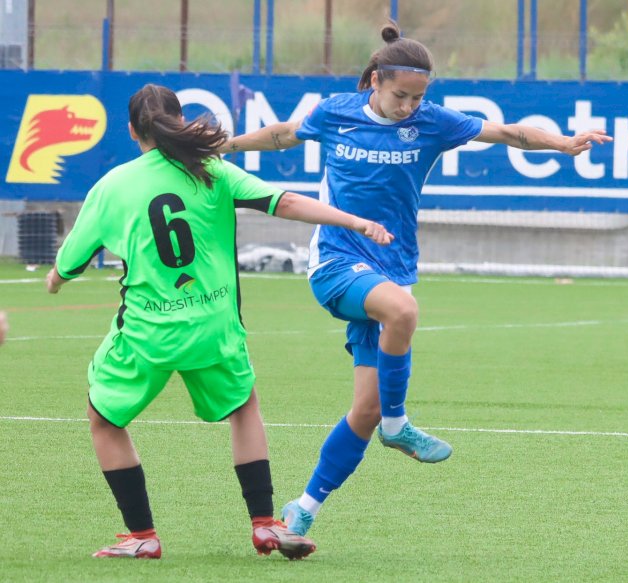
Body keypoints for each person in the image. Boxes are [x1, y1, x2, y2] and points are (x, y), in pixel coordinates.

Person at [224, 21, 613, 537]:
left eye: (417, 97)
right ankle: (398, 424)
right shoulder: (335, 113)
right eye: (400, 95)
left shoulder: (433, 122)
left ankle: (303, 510)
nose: (408, 106)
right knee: (403, 314)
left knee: (363, 409)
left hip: (391, 269)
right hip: (336, 262)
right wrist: (224, 146)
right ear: (374, 82)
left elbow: (509, 133)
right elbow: (279, 136)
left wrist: (564, 143)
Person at [45, 83, 393, 560]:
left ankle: (142, 535)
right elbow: (285, 202)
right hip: (214, 327)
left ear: (131, 131)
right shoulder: (211, 170)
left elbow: (71, 263)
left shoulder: (111, 186)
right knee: (244, 409)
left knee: (104, 421)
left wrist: (54, 281)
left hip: (148, 333)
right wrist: (353, 221)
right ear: (179, 121)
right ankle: (266, 524)